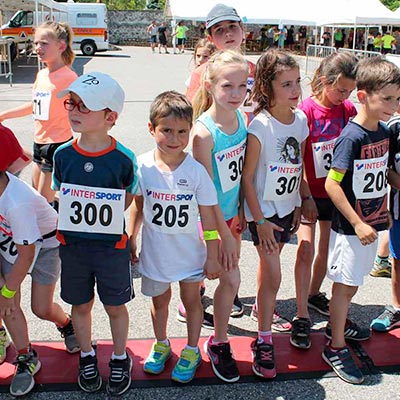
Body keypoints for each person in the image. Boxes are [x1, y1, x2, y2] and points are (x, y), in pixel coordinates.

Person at [52, 72, 138, 396]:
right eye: (71, 103)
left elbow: (127, 197)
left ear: (110, 117)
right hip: (73, 248)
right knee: (81, 304)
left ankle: (119, 356)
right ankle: (87, 355)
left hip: (110, 249)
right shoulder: (62, 155)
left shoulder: (123, 159)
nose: (74, 110)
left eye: (84, 106)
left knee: (115, 306)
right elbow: (60, 191)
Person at [129, 91, 220, 383]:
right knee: (159, 302)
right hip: (156, 252)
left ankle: (192, 350)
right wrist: (132, 236)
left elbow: (208, 216)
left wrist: (213, 253)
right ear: (151, 128)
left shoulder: (196, 171)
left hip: (190, 254)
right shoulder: (141, 166)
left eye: (182, 131)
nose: (174, 138)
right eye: (166, 130)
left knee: (192, 301)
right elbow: (139, 205)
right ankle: (162, 344)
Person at [323, 57, 400, 384]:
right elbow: (332, 183)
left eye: (397, 98)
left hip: (375, 224)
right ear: (362, 95)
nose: (394, 105)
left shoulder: (384, 132)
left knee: (353, 285)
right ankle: (335, 345)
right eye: (387, 98)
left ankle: (337, 328)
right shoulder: (351, 137)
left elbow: (387, 172)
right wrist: (356, 222)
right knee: (345, 286)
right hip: (352, 230)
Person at [186, 2, 258, 323]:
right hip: (209, 201)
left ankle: (227, 294)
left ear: (243, 29)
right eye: (220, 30)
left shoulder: (252, 69)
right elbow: (191, 115)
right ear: (211, 36)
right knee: (208, 257)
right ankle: (195, 296)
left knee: (231, 258)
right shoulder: (202, 77)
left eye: (233, 27)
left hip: (234, 194)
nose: (228, 34)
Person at [242, 49, 308, 379]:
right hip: (263, 213)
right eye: (287, 84)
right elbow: (247, 179)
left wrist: (300, 199)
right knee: (274, 274)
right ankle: (263, 340)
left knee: (269, 275)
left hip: (286, 207)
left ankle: (259, 308)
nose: (295, 90)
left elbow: (297, 166)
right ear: (268, 87)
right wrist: (260, 221)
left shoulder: (301, 120)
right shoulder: (261, 127)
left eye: (298, 82)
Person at [0, 128, 79, 397]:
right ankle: (26, 356)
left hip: (43, 245)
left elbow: (25, 255)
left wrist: (8, 291)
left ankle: (66, 323)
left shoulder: (16, 203)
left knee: (40, 307)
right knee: (6, 303)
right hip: (11, 237)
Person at [191, 49, 249, 383]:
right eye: (228, 86)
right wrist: (220, 236)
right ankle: (199, 345)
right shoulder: (203, 134)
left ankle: (219, 340)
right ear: (210, 85)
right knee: (215, 279)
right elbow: (204, 194)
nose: (237, 94)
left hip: (231, 218)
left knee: (227, 280)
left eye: (243, 86)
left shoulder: (242, 118)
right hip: (208, 221)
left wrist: (239, 212)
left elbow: (239, 175)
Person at [293, 51, 358, 348]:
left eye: (349, 91)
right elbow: (297, 159)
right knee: (305, 249)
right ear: (323, 81)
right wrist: (303, 192)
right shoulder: (305, 111)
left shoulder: (347, 110)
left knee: (327, 249)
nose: (345, 96)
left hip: (335, 192)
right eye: (341, 89)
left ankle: (314, 293)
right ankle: (302, 314)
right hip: (309, 192)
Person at [0, 21, 77, 207]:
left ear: (61, 46)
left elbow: (80, 108)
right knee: (37, 198)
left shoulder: (69, 78)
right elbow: (34, 106)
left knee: (41, 203)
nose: (37, 48)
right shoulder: (41, 75)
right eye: (35, 43)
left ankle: (54, 231)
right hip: (39, 142)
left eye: (43, 43)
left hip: (57, 144)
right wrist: (4, 115)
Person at [370, 110, 400, 331]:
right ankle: (397, 308)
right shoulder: (394, 127)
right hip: (399, 211)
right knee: (398, 260)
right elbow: (385, 169)